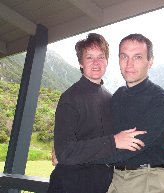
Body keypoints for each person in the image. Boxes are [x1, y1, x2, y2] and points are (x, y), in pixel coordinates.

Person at [47, 33, 145, 193]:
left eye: (100, 57)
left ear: (107, 61)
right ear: (80, 62)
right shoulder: (70, 98)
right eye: (89, 57)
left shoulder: (109, 98)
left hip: (102, 185)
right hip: (70, 185)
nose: (95, 63)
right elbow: (64, 151)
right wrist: (112, 142)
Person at [95, 33, 164, 193]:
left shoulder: (162, 101)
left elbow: (128, 148)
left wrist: (75, 155)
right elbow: (101, 134)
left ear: (150, 61)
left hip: (150, 181)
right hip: (117, 179)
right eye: (124, 56)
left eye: (138, 57)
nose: (129, 64)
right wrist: (69, 145)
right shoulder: (118, 96)